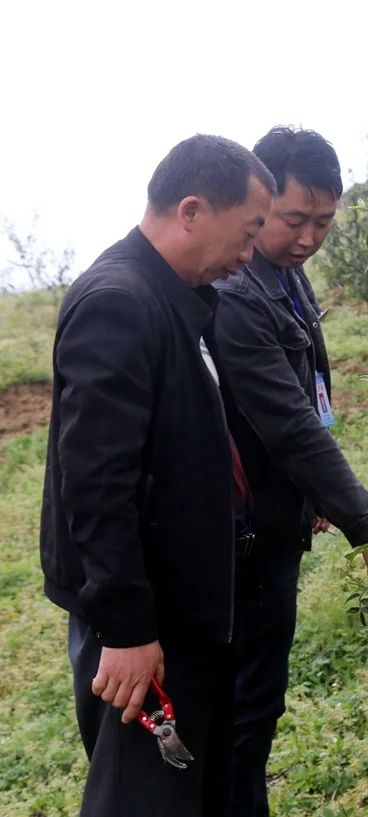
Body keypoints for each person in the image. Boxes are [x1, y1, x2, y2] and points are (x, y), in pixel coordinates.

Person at [39, 134, 275, 817]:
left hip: (184, 610)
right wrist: (127, 628)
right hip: (143, 623)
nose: (248, 254)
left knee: (193, 786)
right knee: (144, 797)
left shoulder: (177, 298)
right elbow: (96, 481)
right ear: (193, 210)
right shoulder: (120, 302)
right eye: (249, 231)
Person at [212, 126, 368, 817]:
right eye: (294, 219)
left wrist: (315, 494)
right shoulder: (241, 293)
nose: (307, 237)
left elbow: (312, 394)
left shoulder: (286, 276)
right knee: (247, 701)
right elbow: (291, 427)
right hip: (246, 532)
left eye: (323, 222)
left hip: (280, 512)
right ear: (259, 200)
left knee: (257, 699)